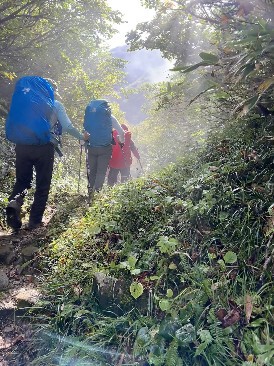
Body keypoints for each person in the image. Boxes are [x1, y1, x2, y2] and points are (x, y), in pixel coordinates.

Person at [5, 77, 89, 231]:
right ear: (51, 90)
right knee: (42, 185)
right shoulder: (55, 105)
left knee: (23, 181)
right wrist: (81, 137)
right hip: (44, 148)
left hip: (22, 146)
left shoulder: (26, 103)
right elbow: (68, 126)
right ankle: (35, 222)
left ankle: (15, 202)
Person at [83, 100, 125, 194]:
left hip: (91, 146)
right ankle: (97, 192)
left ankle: (90, 191)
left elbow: (85, 130)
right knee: (101, 172)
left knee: (92, 170)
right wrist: (121, 140)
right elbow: (121, 132)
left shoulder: (90, 116)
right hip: (105, 148)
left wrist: (83, 140)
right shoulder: (110, 117)